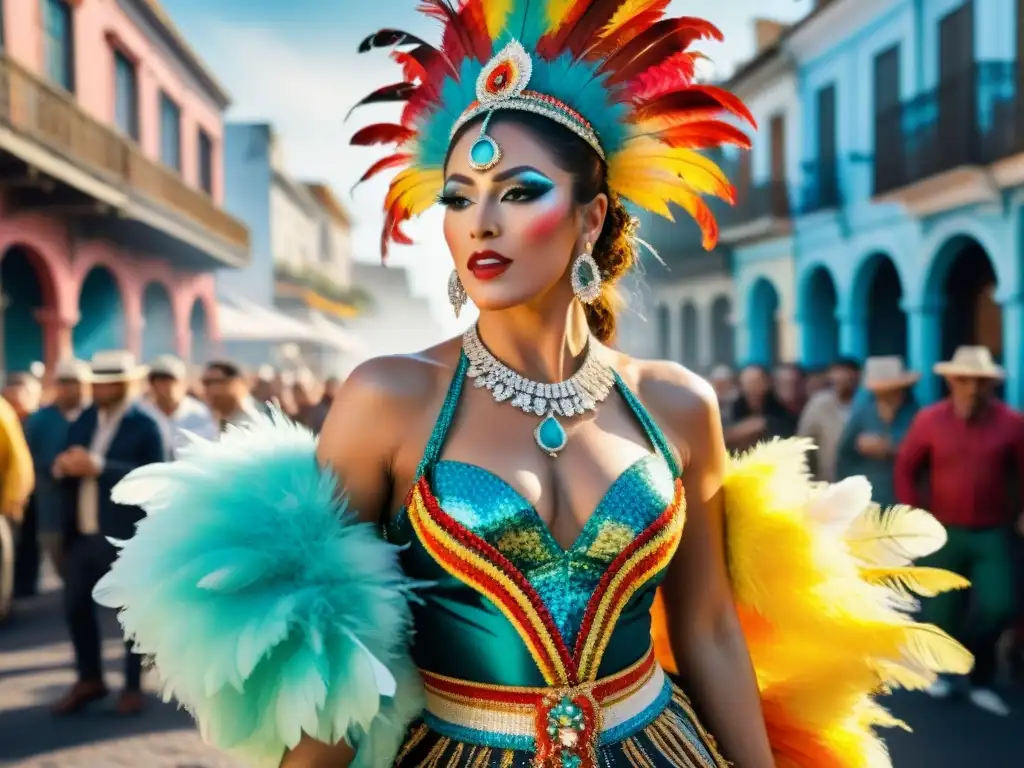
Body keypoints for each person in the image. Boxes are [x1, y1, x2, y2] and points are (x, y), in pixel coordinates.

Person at [93, 4, 971, 768]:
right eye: (459, 195)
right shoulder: (389, 398)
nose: (481, 220)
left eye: (519, 191)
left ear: (589, 218)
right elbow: (337, 660)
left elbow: (705, 632)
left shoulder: (676, 405)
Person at [895, 346, 1024, 716]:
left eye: (979, 381)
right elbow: (906, 467)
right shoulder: (929, 420)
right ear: (950, 381)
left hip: (992, 530)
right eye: (963, 380)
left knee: (1001, 605)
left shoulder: (1012, 423)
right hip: (944, 529)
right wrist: (914, 514)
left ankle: (979, 672)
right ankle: (943, 673)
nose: (971, 388)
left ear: (990, 385)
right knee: (942, 608)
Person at [52, 351, 167, 716]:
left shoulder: (145, 424)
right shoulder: (86, 417)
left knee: (131, 616)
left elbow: (152, 476)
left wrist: (98, 467)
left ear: (126, 382)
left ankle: (133, 687)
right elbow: (67, 455)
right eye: (97, 381)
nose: (101, 388)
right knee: (75, 608)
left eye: (110, 381)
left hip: (125, 537)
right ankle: (90, 679)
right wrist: (62, 466)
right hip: (84, 533)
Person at [24, 359, 91, 582]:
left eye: (75, 382)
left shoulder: (96, 416)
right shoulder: (39, 420)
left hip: (91, 508)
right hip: (52, 507)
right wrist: (57, 467)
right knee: (63, 565)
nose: (70, 387)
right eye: (64, 382)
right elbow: (28, 461)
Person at [835, 356, 919, 505]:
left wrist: (891, 449)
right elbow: (844, 456)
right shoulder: (863, 412)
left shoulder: (914, 413)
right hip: (869, 501)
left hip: (905, 501)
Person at [797, 357, 861, 482]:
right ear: (831, 376)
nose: (844, 379)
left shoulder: (867, 405)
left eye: (849, 375)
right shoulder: (819, 404)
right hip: (827, 481)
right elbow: (804, 442)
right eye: (839, 375)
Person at [145, 355, 219, 452]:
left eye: (169, 380)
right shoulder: (143, 413)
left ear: (182, 382)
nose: (163, 386)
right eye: (157, 380)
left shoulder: (198, 413)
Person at [201, 360, 266, 432]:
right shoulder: (207, 421)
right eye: (206, 383)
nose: (212, 389)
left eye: (218, 382)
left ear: (237, 383)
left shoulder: (252, 420)